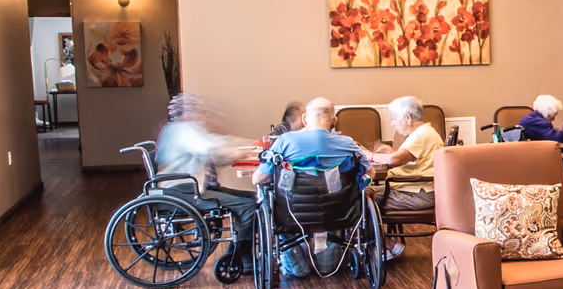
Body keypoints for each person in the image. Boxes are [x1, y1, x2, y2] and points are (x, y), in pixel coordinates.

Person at [256, 97, 369, 277]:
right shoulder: (348, 144)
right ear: (335, 120)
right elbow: (369, 174)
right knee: (337, 196)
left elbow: (258, 179)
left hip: (292, 214)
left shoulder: (285, 142)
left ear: (305, 119)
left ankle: (296, 263)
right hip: (338, 213)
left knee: (270, 197)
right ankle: (328, 260)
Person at [155, 94, 258, 272]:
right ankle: (242, 257)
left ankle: (238, 250)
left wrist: (246, 149)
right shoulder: (184, 130)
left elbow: (216, 148)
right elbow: (212, 151)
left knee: (252, 197)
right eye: (198, 110)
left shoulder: (177, 129)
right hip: (185, 190)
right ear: (187, 112)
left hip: (184, 186)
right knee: (249, 204)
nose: (202, 114)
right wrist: (245, 152)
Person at [370, 95, 443, 258]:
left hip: (417, 194)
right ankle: (383, 243)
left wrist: (371, 156)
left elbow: (395, 160)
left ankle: (387, 246)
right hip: (417, 190)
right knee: (365, 192)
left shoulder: (421, 135)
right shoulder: (424, 133)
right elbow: (406, 157)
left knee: (360, 198)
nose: (392, 123)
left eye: (395, 119)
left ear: (407, 118)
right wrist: (391, 153)